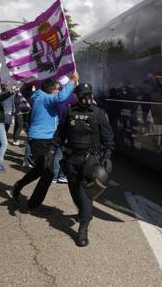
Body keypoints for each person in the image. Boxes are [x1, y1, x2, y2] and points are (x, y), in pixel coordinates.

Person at [55, 82, 114, 246]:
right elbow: (60, 134)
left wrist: (107, 155)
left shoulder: (99, 113)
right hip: (71, 159)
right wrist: (52, 151)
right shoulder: (69, 112)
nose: (87, 98)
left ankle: (83, 227)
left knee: (85, 193)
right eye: (84, 95)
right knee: (75, 193)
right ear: (77, 97)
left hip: (90, 159)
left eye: (89, 94)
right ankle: (83, 212)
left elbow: (109, 138)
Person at [11, 72, 78, 210]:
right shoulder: (45, 98)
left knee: (40, 170)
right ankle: (33, 204)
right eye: (56, 88)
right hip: (41, 139)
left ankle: (18, 186)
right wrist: (72, 81)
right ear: (51, 90)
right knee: (48, 173)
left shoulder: (40, 96)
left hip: (45, 138)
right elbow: (61, 97)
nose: (57, 90)